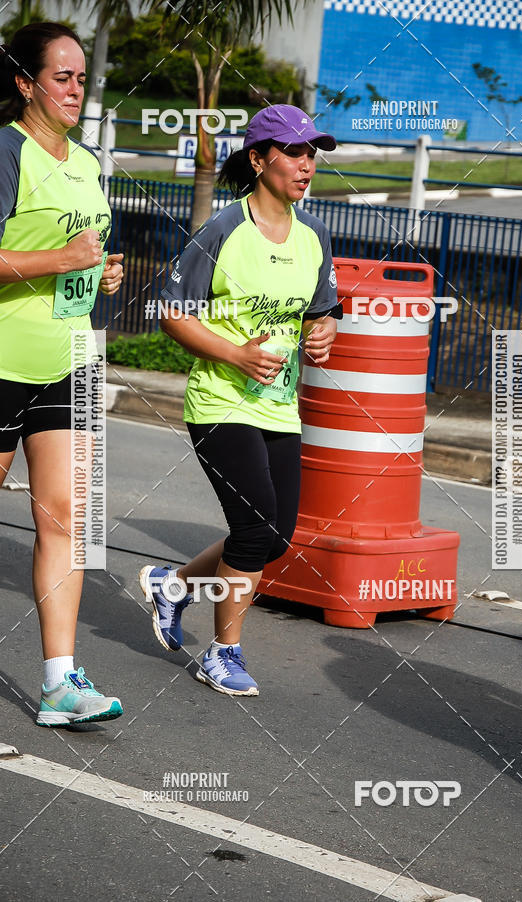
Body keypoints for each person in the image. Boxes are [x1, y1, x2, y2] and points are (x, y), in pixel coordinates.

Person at [140, 105, 342, 697]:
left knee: (275, 538)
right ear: (258, 160)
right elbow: (172, 314)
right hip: (220, 402)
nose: (306, 164)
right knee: (254, 531)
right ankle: (222, 653)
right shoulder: (224, 230)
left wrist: (324, 332)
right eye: (293, 152)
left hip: (279, 405)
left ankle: (173, 586)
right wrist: (236, 354)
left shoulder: (314, 235)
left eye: (312, 153)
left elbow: (322, 312)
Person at [0, 23, 125, 726]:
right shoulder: (5, 150)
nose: (76, 90)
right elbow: (51, 254)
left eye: (82, 78)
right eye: (62, 77)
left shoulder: (85, 162)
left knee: (68, 519)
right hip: (3, 359)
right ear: (26, 83)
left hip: (72, 359)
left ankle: (59, 683)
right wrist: (61, 260)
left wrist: (99, 271)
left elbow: (81, 251)